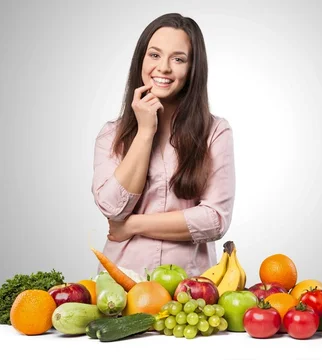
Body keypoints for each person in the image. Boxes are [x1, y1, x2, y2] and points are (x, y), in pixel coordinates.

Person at [91, 13, 235, 279]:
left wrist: (133, 225)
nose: (164, 68)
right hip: (120, 286)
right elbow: (112, 208)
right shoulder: (111, 135)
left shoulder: (215, 132)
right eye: (155, 55)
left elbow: (214, 220)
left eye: (178, 59)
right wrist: (145, 132)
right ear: (141, 60)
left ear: (193, 69)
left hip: (190, 290)